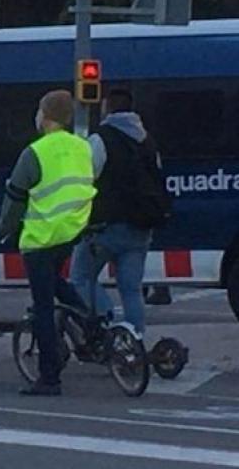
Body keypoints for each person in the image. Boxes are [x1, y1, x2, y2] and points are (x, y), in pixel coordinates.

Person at [0, 90, 95, 396]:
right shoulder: (83, 147)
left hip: (41, 237)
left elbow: (15, 198)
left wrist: (4, 227)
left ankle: (49, 377)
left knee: (42, 306)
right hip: (73, 229)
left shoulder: (35, 152)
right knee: (56, 282)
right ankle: (90, 324)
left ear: (45, 115)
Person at [70, 89, 167, 337]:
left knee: (81, 278)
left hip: (107, 225)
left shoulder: (101, 139)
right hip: (141, 225)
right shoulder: (147, 141)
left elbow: (85, 178)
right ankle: (134, 341)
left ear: (107, 109)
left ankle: (110, 325)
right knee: (131, 289)